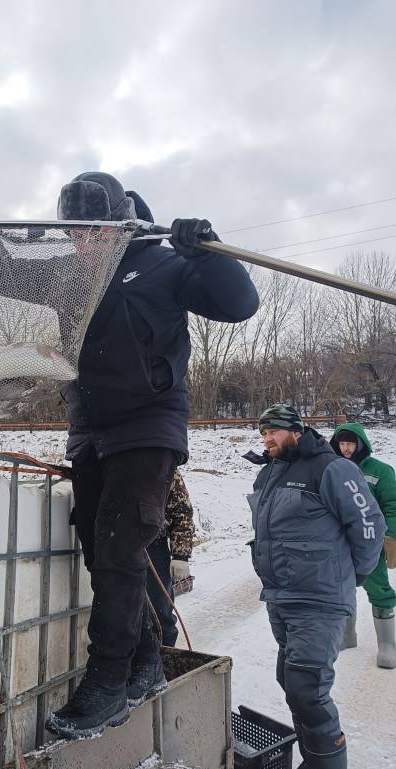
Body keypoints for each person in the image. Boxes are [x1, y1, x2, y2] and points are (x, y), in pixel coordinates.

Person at [44, 171, 259, 739]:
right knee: (98, 548)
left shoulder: (162, 262)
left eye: (94, 231)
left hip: (149, 423)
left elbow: (239, 305)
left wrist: (209, 254)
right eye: (74, 234)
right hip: (89, 427)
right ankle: (143, 663)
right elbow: (1, 273)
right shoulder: (69, 276)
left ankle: (109, 681)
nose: (83, 244)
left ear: (119, 221)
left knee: (121, 545)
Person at [244, 404, 385, 769]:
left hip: (320, 600)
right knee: (290, 682)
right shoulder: (271, 473)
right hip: (281, 597)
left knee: (308, 688)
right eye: (262, 433)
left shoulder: (332, 468)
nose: (266, 439)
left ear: (296, 431)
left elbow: (370, 526)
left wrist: (348, 577)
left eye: (273, 431)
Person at [329, 422, 396, 668]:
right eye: (341, 443)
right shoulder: (331, 469)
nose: (346, 448)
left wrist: (392, 535)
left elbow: (392, 504)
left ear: (361, 443)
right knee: (341, 589)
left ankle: (388, 645)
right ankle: (347, 636)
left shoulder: (381, 471)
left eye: (350, 443)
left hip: (371, 543)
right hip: (338, 543)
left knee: (378, 588)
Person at [146, 469, 198, 647]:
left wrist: (180, 555)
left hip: (154, 548)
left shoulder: (165, 468)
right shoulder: (116, 462)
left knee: (160, 611)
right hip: (120, 546)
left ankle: (165, 660)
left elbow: (182, 513)